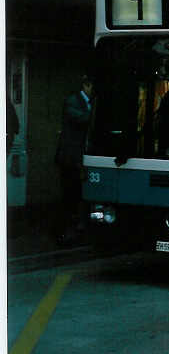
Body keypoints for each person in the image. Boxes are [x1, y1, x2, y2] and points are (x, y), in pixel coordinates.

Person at [55, 75, 95, 244]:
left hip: (78, 156)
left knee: (76, 192)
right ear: (86, 85)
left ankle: (75, 227)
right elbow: (81, 118)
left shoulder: (86, 102)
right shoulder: (73, 101)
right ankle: (66, 230)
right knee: (70, 193)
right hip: (70, 157)